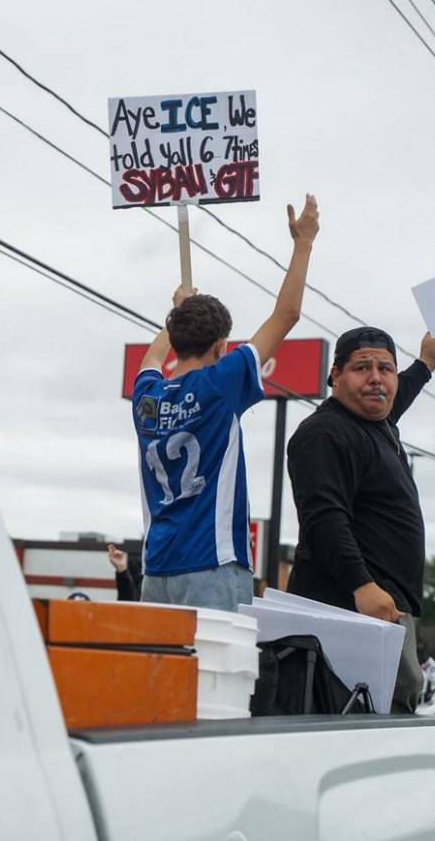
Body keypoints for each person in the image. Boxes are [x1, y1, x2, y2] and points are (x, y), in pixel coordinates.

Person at [131, 195, 320, 610]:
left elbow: (150, 359)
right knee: (221, 674)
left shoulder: (145, 397)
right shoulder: (221, 383)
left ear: (174, 340)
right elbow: (285, 316)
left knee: (164, 675)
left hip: (156, 570)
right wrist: (303, 242)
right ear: (221, 347)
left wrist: (177, 311)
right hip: (210, 565)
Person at [285, 324, 435, 712]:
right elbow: (323, 518)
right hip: (348, 612)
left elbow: (395, 393)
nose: (377, 379)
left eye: (385, 369)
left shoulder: (378, 423)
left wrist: (424, 364)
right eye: (362, 368)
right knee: (366, 723)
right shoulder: (325, 433)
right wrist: (362, 584)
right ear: (335, 376)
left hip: (384, 610)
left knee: (394, 712)